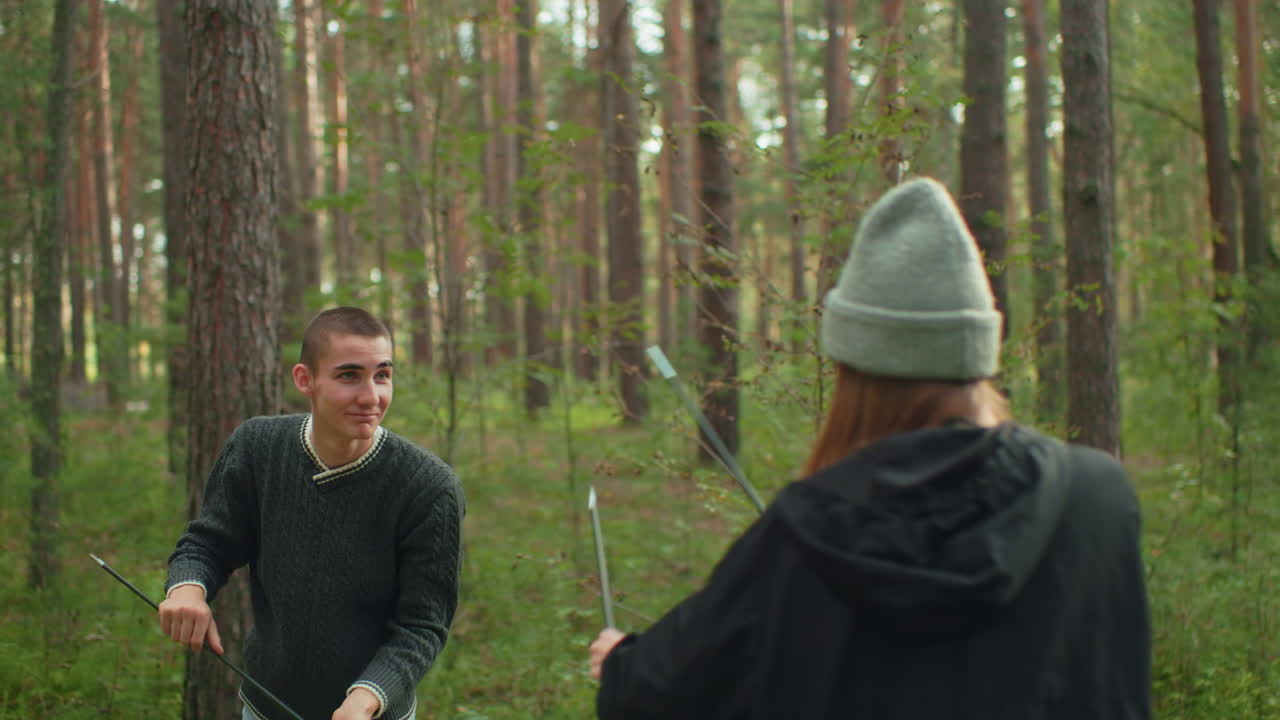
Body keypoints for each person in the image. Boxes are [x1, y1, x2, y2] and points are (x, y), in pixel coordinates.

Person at [588, 178, 1150, 719]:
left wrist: (621, 666)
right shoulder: (1098, 500)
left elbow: (669, 694)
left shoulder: (804, 537)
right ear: (979, 353)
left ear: (854, 373)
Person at [159, 307, 464, 720]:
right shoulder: (257, 448)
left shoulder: (429, 487)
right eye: (349, 375)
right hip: (265, 709)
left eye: (382, 375)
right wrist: (187, 588)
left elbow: (423, 625)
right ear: (305, 380)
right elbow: (208, 545)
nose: (371, 396)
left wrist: (367, 698)